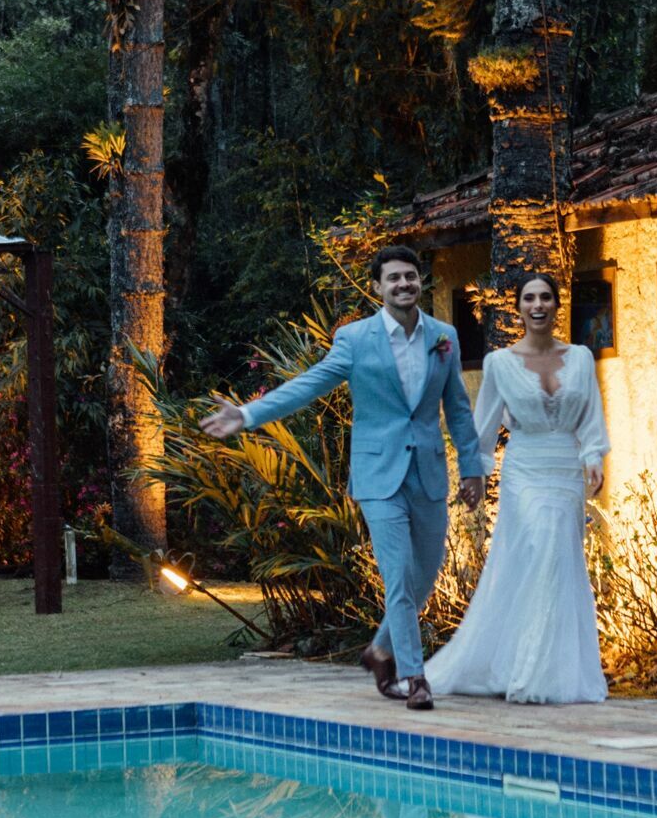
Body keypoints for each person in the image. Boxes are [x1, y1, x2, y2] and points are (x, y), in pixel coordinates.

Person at [201, 244, 485, 710]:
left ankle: (378, 650)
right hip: (378, 476)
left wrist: (472, 467)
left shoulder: (444, 336)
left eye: (410, 276)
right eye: (393, 278)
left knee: (423, 579)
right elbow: (309, 384)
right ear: (377, 287)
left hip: (429, 473)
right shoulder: (355, 340)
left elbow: (456, 407)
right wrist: (249, 414)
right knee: (398, 578)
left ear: (420, 282)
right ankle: (415, 677)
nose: (404, 284)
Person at [424, 274, 610, 704]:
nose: (538, 304)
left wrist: (594, 458)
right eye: (530, 298)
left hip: (565, 469)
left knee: (559, 559)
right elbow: (483, 424)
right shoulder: (499, 363)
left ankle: (549, 670)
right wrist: (475, 474)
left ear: (556, 304)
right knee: (537, 551)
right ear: (519, 307)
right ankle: (527, 670)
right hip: (523, 470)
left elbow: (591, 416)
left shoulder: (581, 357)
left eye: (546, 297)